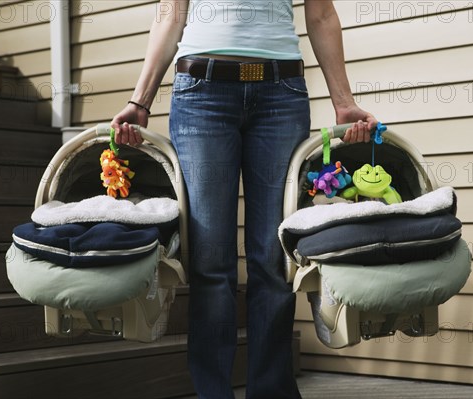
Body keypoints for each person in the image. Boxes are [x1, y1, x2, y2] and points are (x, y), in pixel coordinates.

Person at [111, 1, 378, 397]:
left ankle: (270, 391)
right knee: (210, 261)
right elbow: (170, 14)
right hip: (202, 93)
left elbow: (321, 14)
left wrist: (343, 101)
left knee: (273, 259)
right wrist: (140, 101)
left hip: (281, 95)